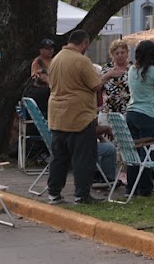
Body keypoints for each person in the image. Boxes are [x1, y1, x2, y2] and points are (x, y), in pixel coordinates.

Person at [45, 28, 102, 205]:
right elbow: (95, 85)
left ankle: (54, 193)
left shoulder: (55, 60)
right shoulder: (82, 60)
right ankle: (82, 195)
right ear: (84, 43)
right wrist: (105, 76)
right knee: (83, 158)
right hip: (79, 116)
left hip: (57, 115)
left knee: (59, 158)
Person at [124, 39, 154, 198]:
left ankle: (132, 187)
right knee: (149, 152)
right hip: (148, 114)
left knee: (134, 152)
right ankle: (145, 188)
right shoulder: (153, 71)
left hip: (131, 113)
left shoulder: (131, 70)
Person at [99, 39, 131, 115]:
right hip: (108, 111)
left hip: (127, 111)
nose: (120, 55)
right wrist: (109, 75)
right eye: (117, 53)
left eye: (122, 52)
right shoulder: (106, 68)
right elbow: (97, 85)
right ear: (112, 55)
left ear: (127, 54)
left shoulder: (132, 69)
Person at [27, 38, 54, 115]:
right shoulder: (38, 62)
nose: (51, 50)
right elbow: (39, 78)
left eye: (52, 48)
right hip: (42, 90)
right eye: (48, 48)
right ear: (41, 50)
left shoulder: (54, 60)